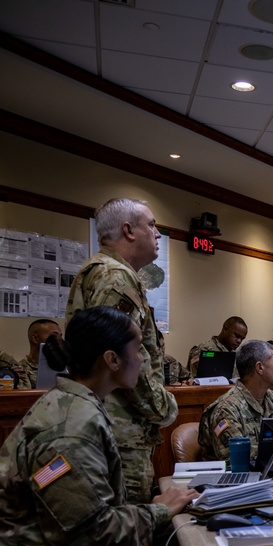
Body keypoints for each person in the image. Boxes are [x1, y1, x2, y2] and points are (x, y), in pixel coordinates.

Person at [0, 306, 198, 546]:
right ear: (112, 359)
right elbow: (88, 533)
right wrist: (162, 509)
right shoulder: (71, 429)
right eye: (138, 351)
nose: (144, 361)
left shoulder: (77, 405)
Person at [65, 197, 177, 503]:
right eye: (152, 225)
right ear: (128, 230)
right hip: (120, 426)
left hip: (111, 420)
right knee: (127, 527)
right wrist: (161, 408)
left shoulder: (101, 270)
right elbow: (121, 360)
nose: (157, 234)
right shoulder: (115, 277)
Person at [198, 339, 273, 463]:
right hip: (231, 478)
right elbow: (235, 459)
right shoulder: (226, 408)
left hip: (269, 472)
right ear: (260, 367)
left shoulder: (272, 399)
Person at [18, 319, 62, 388]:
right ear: (35, 338)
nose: (59, 340)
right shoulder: (20, 370)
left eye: (60, 336)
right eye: (54, 336)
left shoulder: (62, 367)